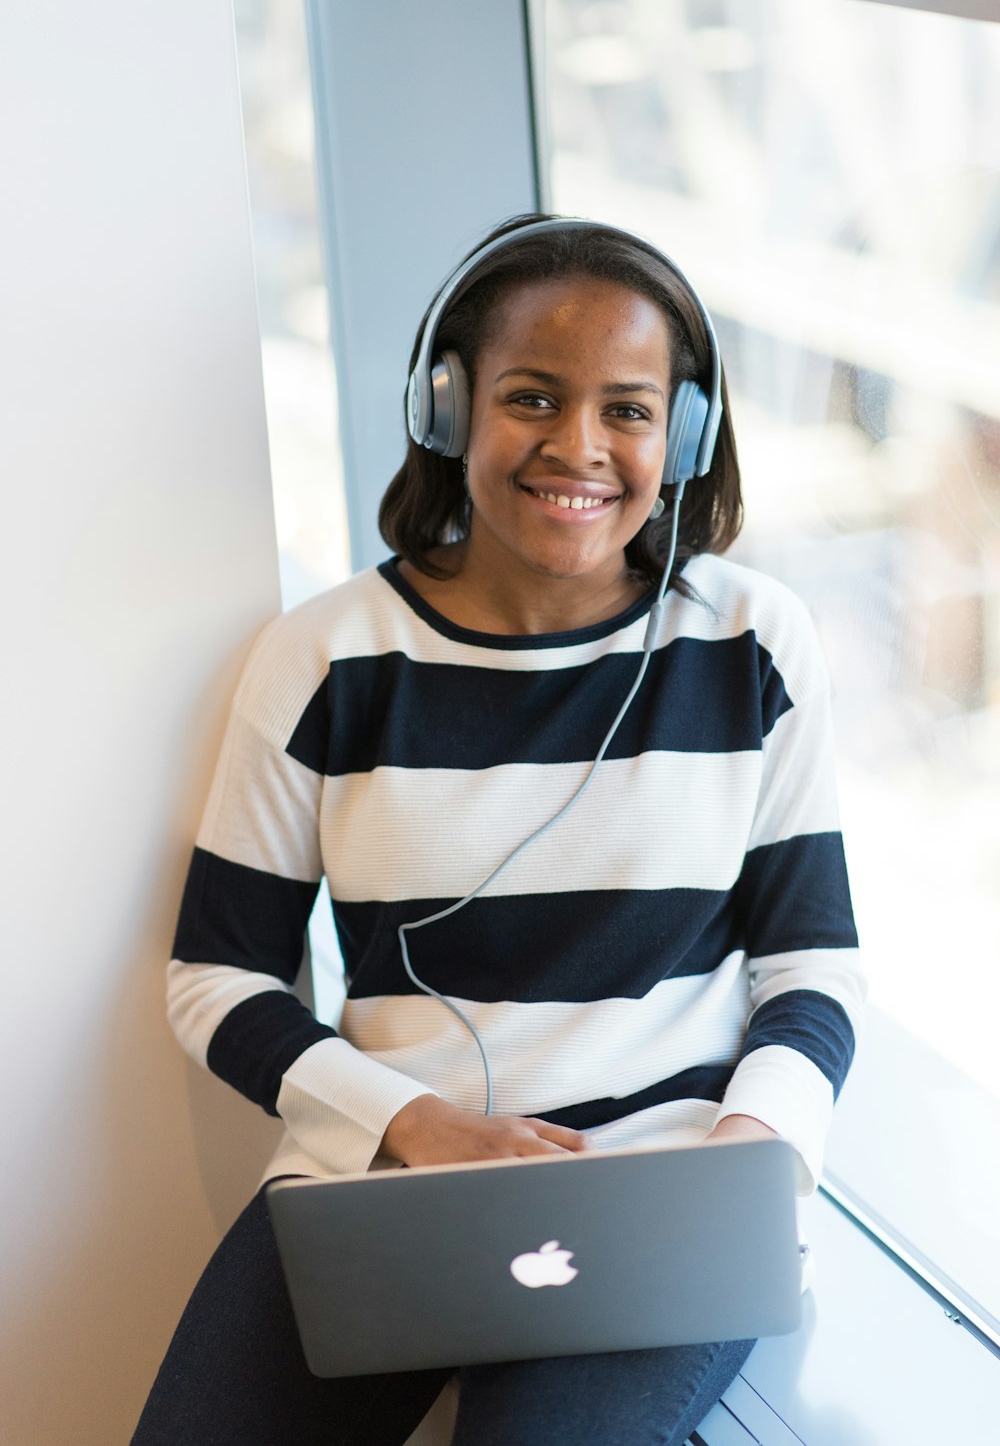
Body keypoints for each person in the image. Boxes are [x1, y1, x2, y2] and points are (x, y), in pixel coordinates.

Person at [133, 215, 864, 1445]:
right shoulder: (327, 655)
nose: (577, 446)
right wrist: (416, 1128)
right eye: (532, 397)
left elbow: (812, 968)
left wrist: (739, 1160)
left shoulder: (751, 641)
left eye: (627, 409)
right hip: (383, 1179)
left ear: (680, 433)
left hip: (659, 1187)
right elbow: (218, 976)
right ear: (446, 406)